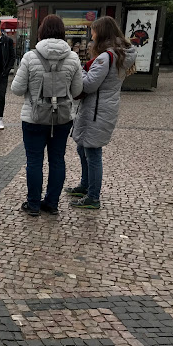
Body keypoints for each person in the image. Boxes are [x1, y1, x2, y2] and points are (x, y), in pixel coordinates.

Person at [11, 15, 83, 216]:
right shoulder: (73, 58)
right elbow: (77, 90)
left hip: (34, 117)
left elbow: (17, 89)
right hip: (61, 118)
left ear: (42, 31)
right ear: (62, 32)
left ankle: (33, 205)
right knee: (57, 160)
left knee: (34, 161)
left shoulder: (30, 57)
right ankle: (51, 204)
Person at [66, 16, 137, 210]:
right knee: (83, 148)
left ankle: (93, 196)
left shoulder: (106, 57)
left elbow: (88, 85)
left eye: (94, 31)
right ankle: (85, 185)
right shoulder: (118, 54)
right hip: (102, 108)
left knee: (93, 152)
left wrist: (79, 69)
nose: (92, 34)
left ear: (102, 33)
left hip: (97, 111)